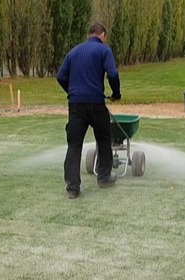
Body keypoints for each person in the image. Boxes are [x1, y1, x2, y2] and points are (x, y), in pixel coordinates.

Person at [56, 23, 121, 199]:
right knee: (104, 138)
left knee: (74, 145)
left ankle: (72, 188)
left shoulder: (74, 51)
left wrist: (72, 91)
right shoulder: (104, 50)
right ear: (103, 35)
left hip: (75, 105)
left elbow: (60, 76)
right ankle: (104, 178)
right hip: (96, 103)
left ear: (89, 34)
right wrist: (116, 94)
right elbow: (113, 75)